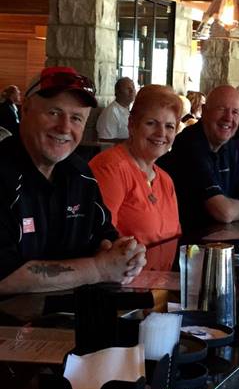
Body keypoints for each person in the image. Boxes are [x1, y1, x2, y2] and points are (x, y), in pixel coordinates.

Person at [0, 66, 146, 294]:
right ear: (25, 109)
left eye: (76, 118)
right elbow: (5, 277)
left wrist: (127, 255)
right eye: (54, 113)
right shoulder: (4, 175)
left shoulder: (80, 174)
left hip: (73, 312)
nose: (64, 127)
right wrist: (98, 269)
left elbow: (105, 236)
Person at [89, 85, 182, 270]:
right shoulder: (110, 168)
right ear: (132, 124)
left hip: (162, 283)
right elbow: (102, 245)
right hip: (123, 285)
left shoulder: (165, 180)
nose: (161, 133)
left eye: (169, 126)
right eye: (151, 123)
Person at [159, 85, 239, 232]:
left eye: (235, 112)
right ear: (204, 111)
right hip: (192, 240)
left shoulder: (229, 144)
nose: (228, 118)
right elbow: (223, 212)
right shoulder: (190, 143)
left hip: (223, 236)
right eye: (221, 109)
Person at [96, 77, 136, 141]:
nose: (132, 91)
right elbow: (105, 141)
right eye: (128, 88)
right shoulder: (111, 112)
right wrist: (131, 142)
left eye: (133, 87)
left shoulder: (127, 111)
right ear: (118, 92)